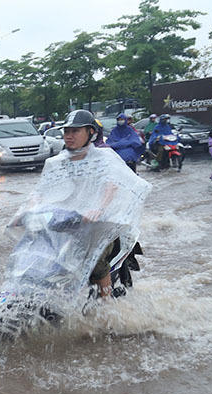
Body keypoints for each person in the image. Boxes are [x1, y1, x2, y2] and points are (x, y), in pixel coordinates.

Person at [11, 109, 150, 299]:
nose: (69, 136)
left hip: (99, 223)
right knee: (34, 250)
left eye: (75, 131)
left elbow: (112, 185)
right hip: (68, 219)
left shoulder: (104, 158)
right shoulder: (58, 162)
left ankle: (106, 305)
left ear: (91, 133)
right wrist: (28, 209)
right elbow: (41, 190)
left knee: (96, 261)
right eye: (66, 131)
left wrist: (99, 209)